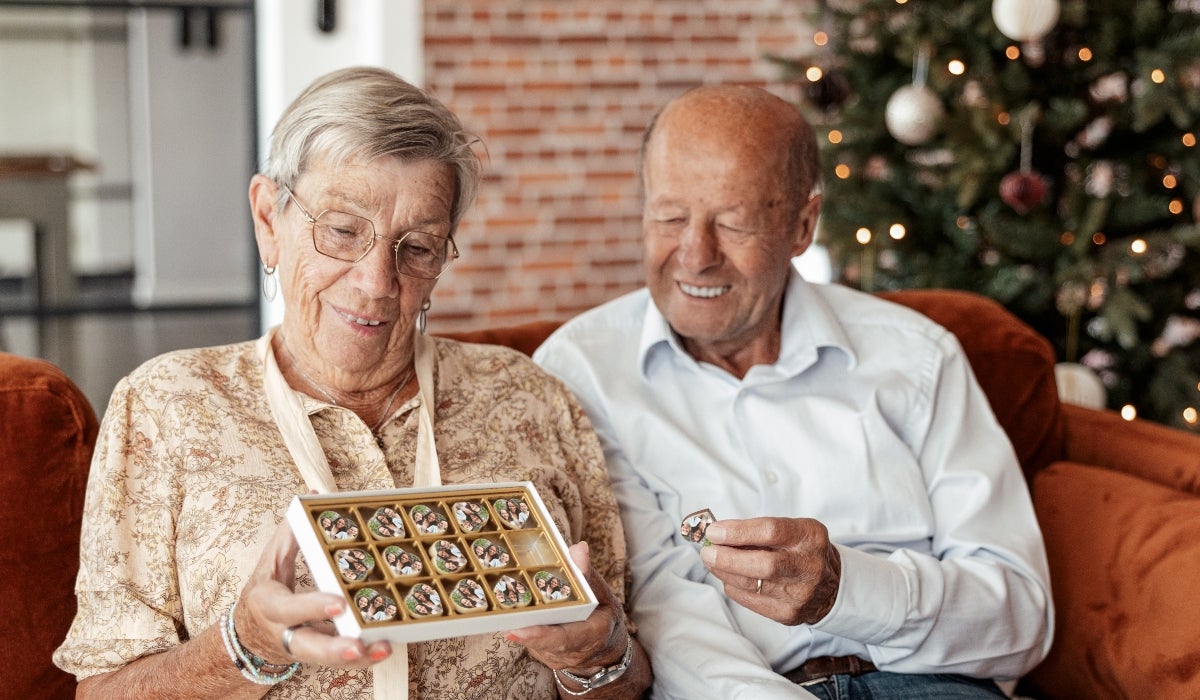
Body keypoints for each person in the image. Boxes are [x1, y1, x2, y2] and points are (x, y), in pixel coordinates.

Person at [53, 66, 650, 699]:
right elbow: (104, 692)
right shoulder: (167, 404)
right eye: (341, 230)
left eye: (417, 247)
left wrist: (598, 657)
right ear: (267, 218)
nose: (375, 282)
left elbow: (631, 672)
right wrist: (243, 645)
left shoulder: (529, 396)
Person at [534, 84, 1053, 699]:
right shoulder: (580, 370)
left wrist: (845, 591)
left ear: (802, 226)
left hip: (927, 683)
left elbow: (1023, 615)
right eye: (669, 217)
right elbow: (663, 608)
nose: (695, 256)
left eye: (734, 223)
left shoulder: (917, 356)